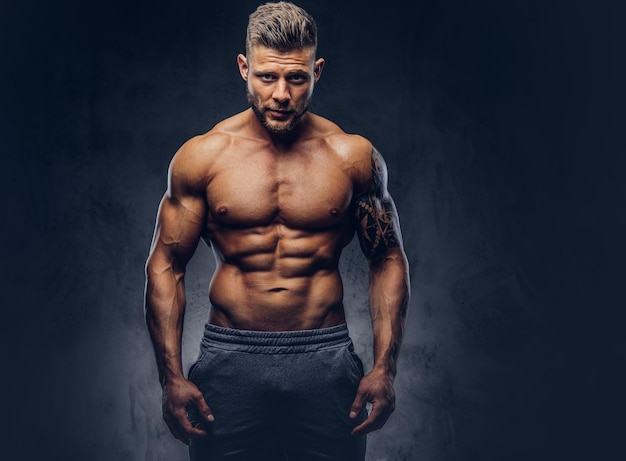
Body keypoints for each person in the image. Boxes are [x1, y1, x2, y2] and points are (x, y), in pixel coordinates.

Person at [144, 2, 410, 460]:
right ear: (244, 67)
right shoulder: (202, 157)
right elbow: (166, 265)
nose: (282, 94)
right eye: (267, 77)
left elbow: (387, 259)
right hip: (230, 359)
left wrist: (385, 368)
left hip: (324, 359)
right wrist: (171, 378)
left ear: (317, 71)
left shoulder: (352, 157)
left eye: (297, 77)